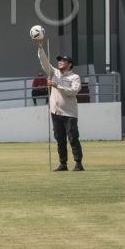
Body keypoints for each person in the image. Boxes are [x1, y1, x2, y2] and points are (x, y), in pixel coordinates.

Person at [34, 39, 84, 171]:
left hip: (69, 113)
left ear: (69, 64)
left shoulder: (75, 78)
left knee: (73, 138)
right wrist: (40, 48)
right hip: (55, 112)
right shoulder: (54, 73)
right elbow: (45, 63)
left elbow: (73, 92)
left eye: (63, 60)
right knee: (60, 139)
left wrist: (57, 85)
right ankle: (63, 164)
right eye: (59, 60)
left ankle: (78, 163)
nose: (60, 62)